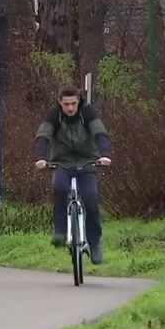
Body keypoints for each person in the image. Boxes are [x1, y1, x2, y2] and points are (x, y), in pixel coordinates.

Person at [33, 85, 112, 264]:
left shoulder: (88, 113)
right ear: (59, 102)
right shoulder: (54, 115)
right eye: (66, 104)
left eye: (73, 104)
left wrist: (105, 155)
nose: (70, 108)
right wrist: (40, 158)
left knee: (90, 196)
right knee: (59, 187)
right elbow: (43, 137)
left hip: (86, 161)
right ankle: (60, 231)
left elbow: (100, 134)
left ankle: (94, 244)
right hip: (62, 161)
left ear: (79, 101)